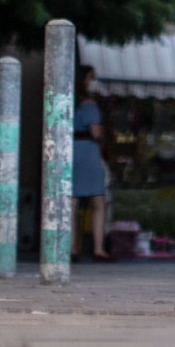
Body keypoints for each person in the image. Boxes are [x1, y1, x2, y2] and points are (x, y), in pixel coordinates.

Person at [70, 66, 112, 263]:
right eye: (91, 78)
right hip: (88, 152)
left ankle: (70, 247)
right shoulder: (89, 105)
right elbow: (95, 132)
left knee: (71, 202)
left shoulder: (67, 101)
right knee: (97, 201)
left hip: (70, 150)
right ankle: (98, 248)